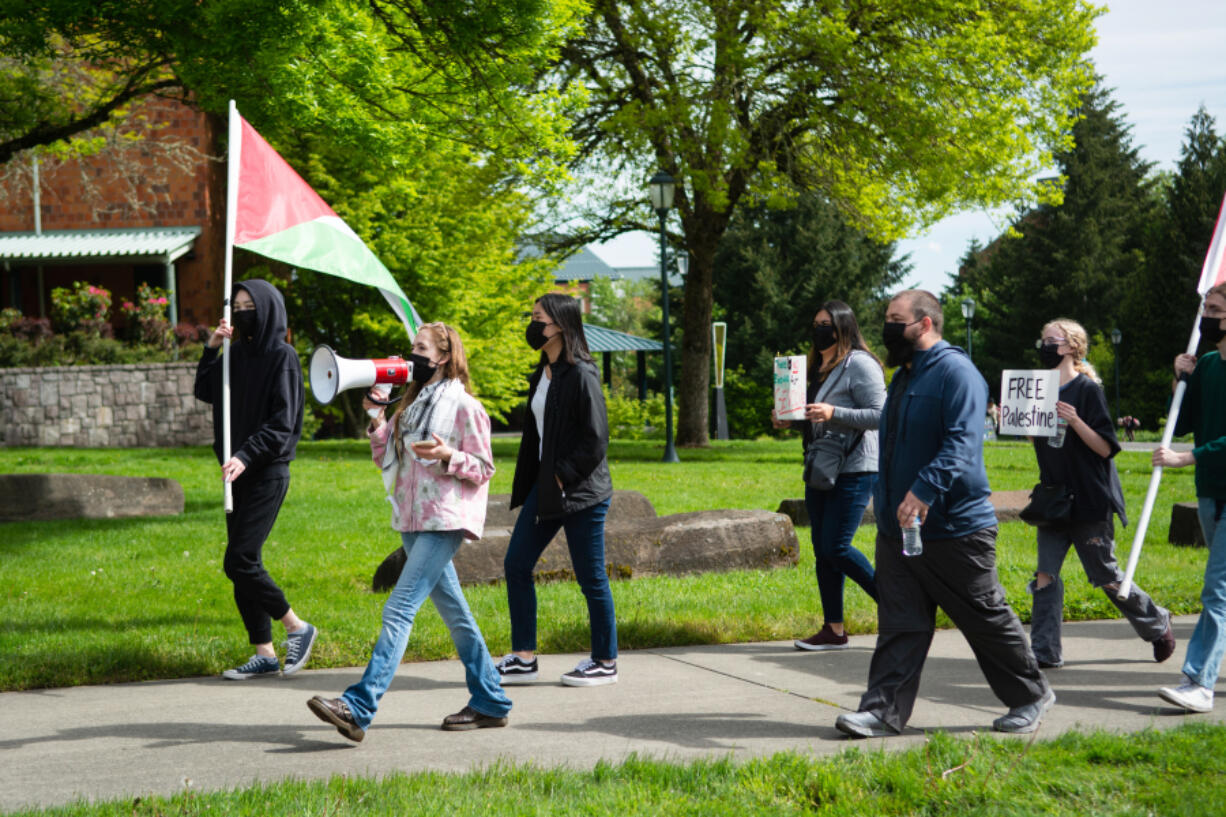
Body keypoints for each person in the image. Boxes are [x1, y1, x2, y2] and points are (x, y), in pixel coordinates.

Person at [835, 290, 1052, 738]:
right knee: (901, 623)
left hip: (956, 528)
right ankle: (882, 711)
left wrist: (924, 491)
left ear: (925, 324)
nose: (888, 327)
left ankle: (1031, 694)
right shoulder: (903, 377)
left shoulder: (957, 373)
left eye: (897, 320)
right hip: (901, 531)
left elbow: (962, 441)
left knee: (983, 617)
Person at [307, 323, 512, 740]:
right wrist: (376, 417)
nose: (411, 353)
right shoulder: (413, 405)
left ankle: (358, 706)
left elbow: (484, 468)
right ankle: (491, 699)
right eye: (411, 345)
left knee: (399, 608)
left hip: (444, 520)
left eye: (420, 347)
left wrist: (449, 455)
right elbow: (387, 458)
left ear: (442, 356)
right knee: (457, 616)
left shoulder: (464, 406)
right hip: (411, 520)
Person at [1027, 319, 1173, 670]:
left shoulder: (1088, 390)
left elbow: (1106, 448)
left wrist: (1076, 421)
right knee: (1045, 575)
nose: (1044, 346)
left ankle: (1157, 623)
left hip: (1088, 499)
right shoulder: (1039, 389)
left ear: (1070, 347)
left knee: (1106, 575)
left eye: (1052, 340)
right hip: (1052, 498)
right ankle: (1045, 652)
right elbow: (1041, 443)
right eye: (1042, 340)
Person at [194, 279, 317, 680]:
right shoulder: (233, 355)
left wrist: (247, 454)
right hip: (235, 471)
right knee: (242, 562)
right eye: (237, 305)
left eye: (250, 305)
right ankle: (264, 653)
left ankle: (296, 627)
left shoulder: (283, 357)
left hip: (266, 471)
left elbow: (283, 424)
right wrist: (212, 346)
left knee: (240, 559)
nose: (242, 311)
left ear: (267, 310)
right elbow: (204, 391)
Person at [497, 293, 618, 686]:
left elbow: (597, 440)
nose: (532, 327)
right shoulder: (542, 373)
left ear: (561, 327)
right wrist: (536, 480)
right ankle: (523, 656)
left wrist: (563, 475)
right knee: (516, 564)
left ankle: (605, 660)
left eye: (539, 320)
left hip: (582, 492)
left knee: (591, 577)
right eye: (531, 317)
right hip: (546, 488)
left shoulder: (582, 373)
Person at [772, 300, 885, 650]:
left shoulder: (860, 364)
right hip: (821, 466)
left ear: (843, 327)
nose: (820, 329)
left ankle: (899, 606)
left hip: (855, 467)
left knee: (836, 546)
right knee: (823, 551)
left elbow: (882, 415)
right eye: (816, 323)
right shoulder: (812, 368)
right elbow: (814, 417)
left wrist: (833, 411)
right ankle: (833, 630)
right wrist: (789, 420)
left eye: (827, 324)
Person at [1155, 282, 1226, 713]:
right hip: (1211, 492)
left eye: (1215, 309)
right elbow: (1180, 423)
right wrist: (1180, 379)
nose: (1206, 316)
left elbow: (1188, 445)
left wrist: (1188, 458)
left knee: (1216, 590)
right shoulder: (1209, 365)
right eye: (1206, 307)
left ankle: (1198, 682)